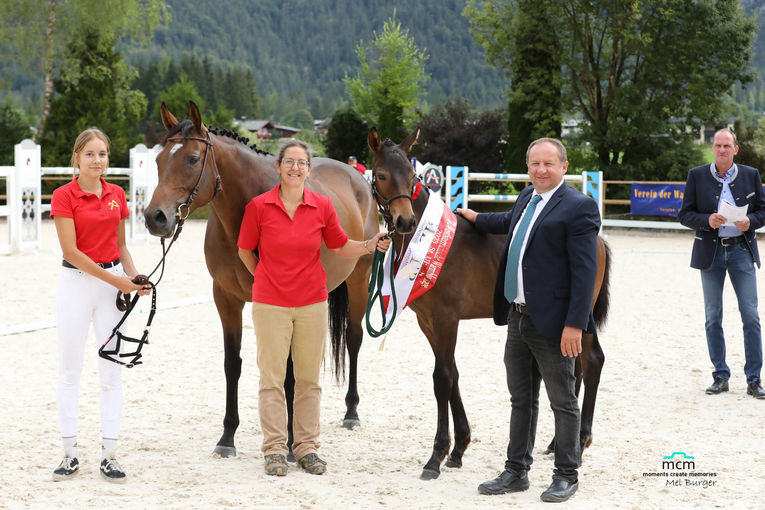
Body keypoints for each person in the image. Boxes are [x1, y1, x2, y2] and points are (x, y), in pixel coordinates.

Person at [457, 138, 600, 503]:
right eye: (534, 163)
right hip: (517, 317)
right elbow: (507, 222)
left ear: (564, 167)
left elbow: (584, 273)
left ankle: (567, 474)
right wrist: (473, 216)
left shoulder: (579, 207)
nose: (540, 170)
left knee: (563, 400)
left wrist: (575, 325)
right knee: (521, 399)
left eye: (548, 163)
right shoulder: (527, 198)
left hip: (554, 323)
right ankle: (516, 470)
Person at [238, 140, 390, 477]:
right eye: (289, 162)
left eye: (301, 163)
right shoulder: (259, 207)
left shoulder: (322, 205)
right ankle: (275, 449)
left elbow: (339, 245)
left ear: (309, 169)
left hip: (312, 303)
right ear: (278, 167)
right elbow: (245, 250)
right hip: (270, 304)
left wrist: (369, 245)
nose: (295, 168)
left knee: (308, 380)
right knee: (272, 379)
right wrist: (264, 277)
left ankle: (306, 448)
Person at [50, 127, 151, 483]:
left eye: (103, 154)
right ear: (76, 157)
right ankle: (69, 453)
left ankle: (109, 454)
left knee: (111, 372)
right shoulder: (64, 196)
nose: (98, 161)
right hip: (77, 284)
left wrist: (135, 278)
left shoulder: (116, 194)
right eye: (90, 154)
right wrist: (117, 281)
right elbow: (71, 252)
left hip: (113, 287)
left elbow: (121, 247)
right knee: (70, 372)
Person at [678, 128, 765, 399]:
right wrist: (707, 220)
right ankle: (720, 376)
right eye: (718, 145)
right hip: (710, 253)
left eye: (727, 145)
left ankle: (754, 379)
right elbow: (684, 214)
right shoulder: (696, 175)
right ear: (712, 148)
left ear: (735, 149)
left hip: (741, 252)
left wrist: (751, 221)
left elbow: (763, 210)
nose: (722, 150)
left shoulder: (751, 175)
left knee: (750, 316)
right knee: (712, 317)